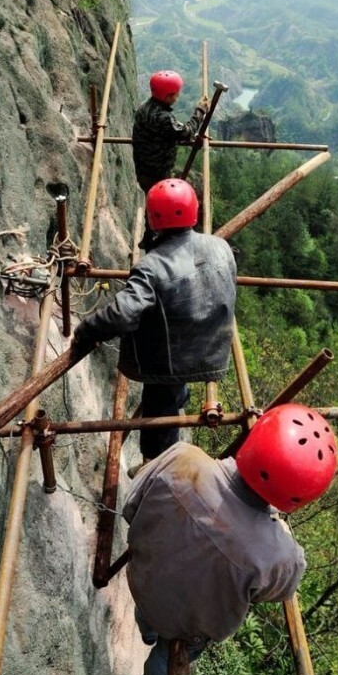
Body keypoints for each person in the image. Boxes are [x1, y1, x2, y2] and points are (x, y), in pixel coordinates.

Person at [122, 403, 338, 675]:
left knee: (149, 608)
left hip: (143, 583)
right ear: (300, 496)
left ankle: (147, 629)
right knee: (169, 657)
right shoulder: (279, 556)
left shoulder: (183, 456)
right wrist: (281, 536)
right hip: (187, 628)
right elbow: (281, 591)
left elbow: (130, 509)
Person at [73, 178, 236, 464]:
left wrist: (85, 330)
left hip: (170, 363)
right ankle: (178, 403)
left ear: (153, 219)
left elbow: (123, 314)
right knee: (173, 394)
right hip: (211, 351)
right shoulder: (221, 246)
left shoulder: (152, 265)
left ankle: (155, 464)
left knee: (158, 417)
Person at [131, 70, 207, 195]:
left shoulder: (144, 106)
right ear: (167, 97)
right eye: (176, 95)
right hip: (156, 171)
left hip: (142, 166)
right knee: (157, 197)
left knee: (150, 195)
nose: (178, 97)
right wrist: (200, 111)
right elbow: (186, 133)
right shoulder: (163, 118)